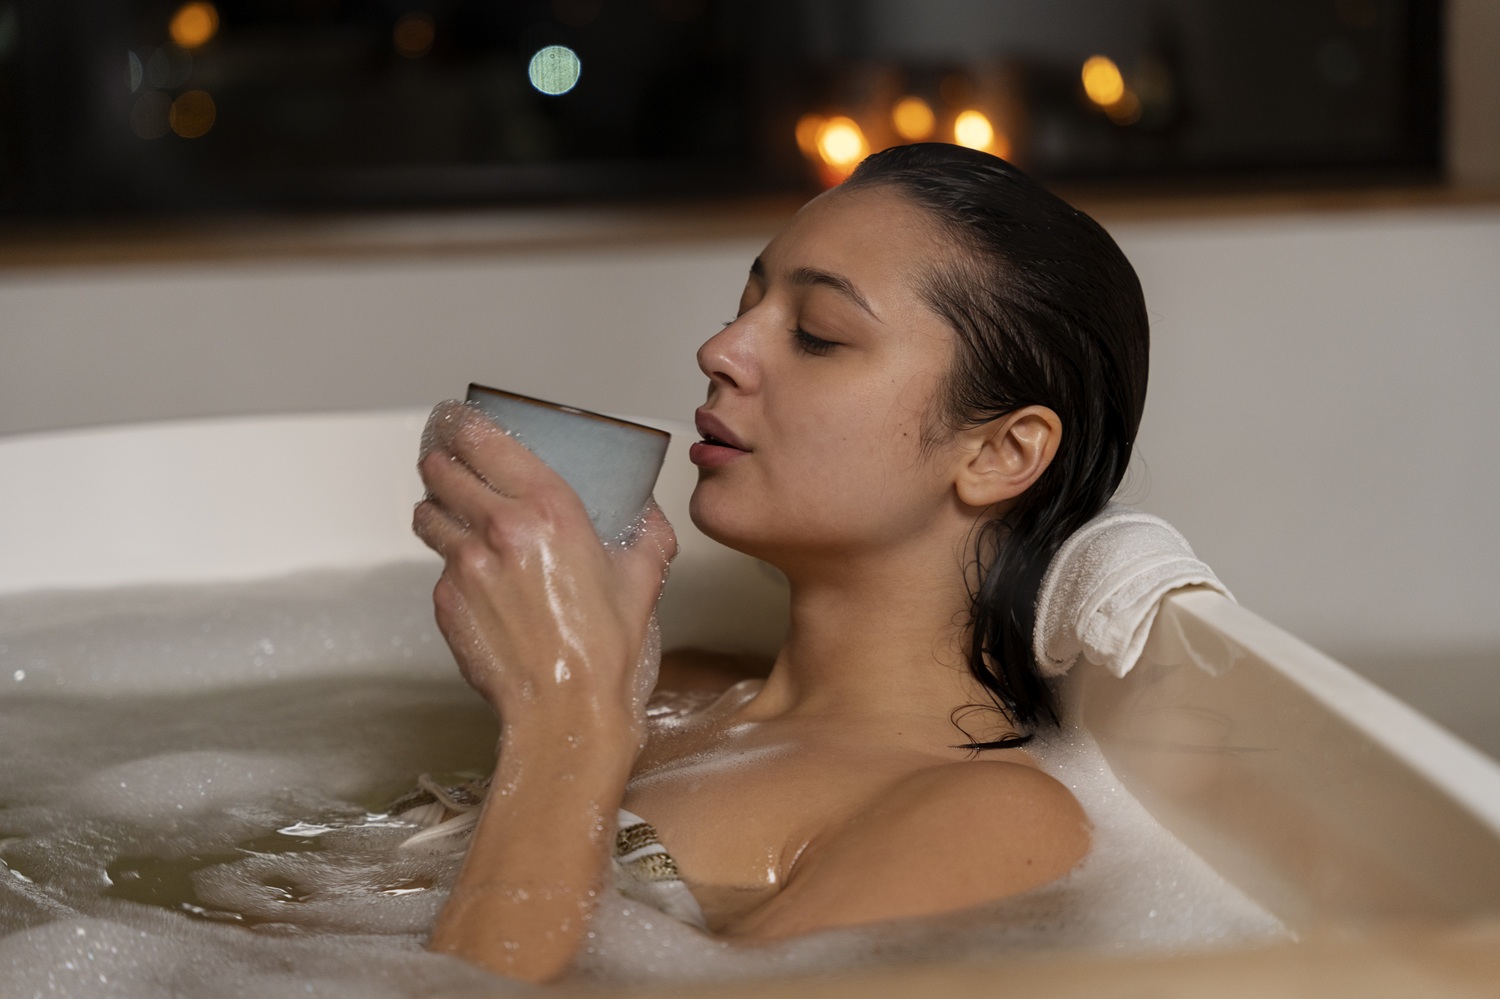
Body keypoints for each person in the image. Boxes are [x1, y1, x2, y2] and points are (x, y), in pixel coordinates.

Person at [410, 142, 1150, 982]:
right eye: (745, 304)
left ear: (1001, 451)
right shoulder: (669, 683)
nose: (720, 348)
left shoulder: (989, 815)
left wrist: (563, 713)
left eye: (818, 335)